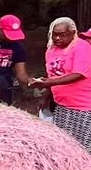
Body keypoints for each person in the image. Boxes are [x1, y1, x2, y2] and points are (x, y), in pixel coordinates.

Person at [36, 17, 91, 149]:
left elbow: (79, 73)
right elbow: (53, 75)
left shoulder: (82, 47)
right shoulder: (51, 50)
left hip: (84, 107)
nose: (58, 38)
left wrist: (50, 82)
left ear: (73, 33)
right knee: (65, 146)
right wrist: (46, 96)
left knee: (83, 147)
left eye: (63, 35)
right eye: (55, 34)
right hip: (62, 105)